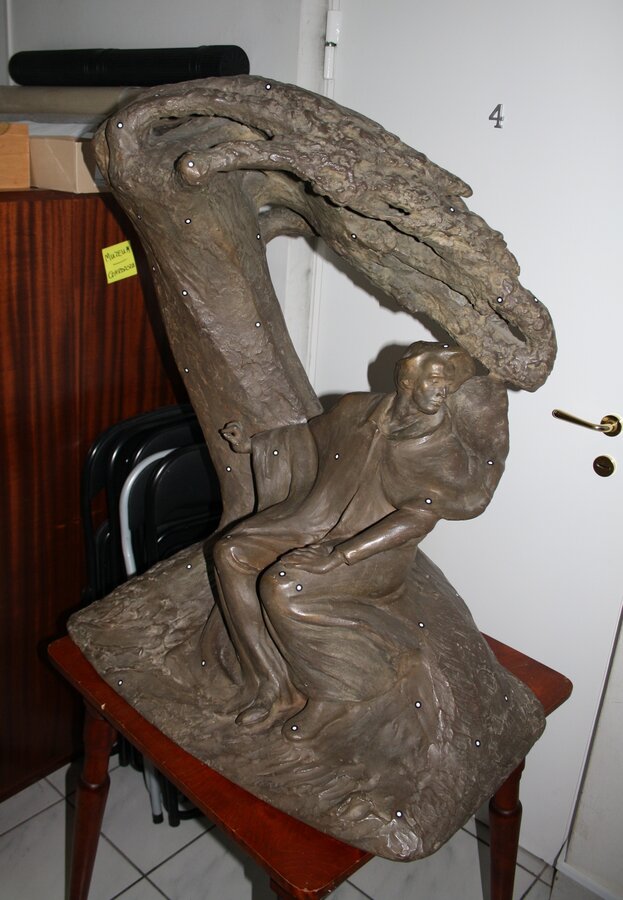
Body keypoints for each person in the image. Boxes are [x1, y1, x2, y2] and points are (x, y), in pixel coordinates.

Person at [206, 341, 506, 738]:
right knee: (231, 553)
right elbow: (308, 438)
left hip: (374, 554)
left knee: (284, 587)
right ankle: (273, 684)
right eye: (435, 380)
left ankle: (334, 693)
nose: (443, 391)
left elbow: (415, 521)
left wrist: (337, 556)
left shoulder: (442, 449)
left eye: (448, 384)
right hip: (316, 519)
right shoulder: (357, 410)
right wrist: (256, 444)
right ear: (407, 380)